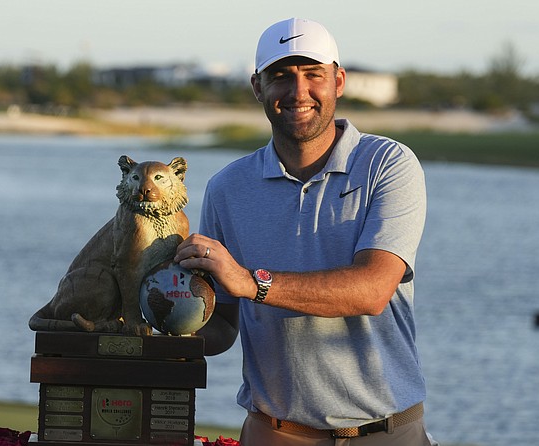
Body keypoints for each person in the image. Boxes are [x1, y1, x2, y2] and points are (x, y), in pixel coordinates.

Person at [175, 18, 435, 446]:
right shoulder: (227, 187)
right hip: (274, 434)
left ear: (339, 80)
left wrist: (250, 282)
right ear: (258, 87)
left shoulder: (389, 164)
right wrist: (157, 316)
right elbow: (221, 324)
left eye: (313, 74)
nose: (298, 92)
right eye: (280, 77)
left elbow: (371, 290)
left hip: (385, 433)